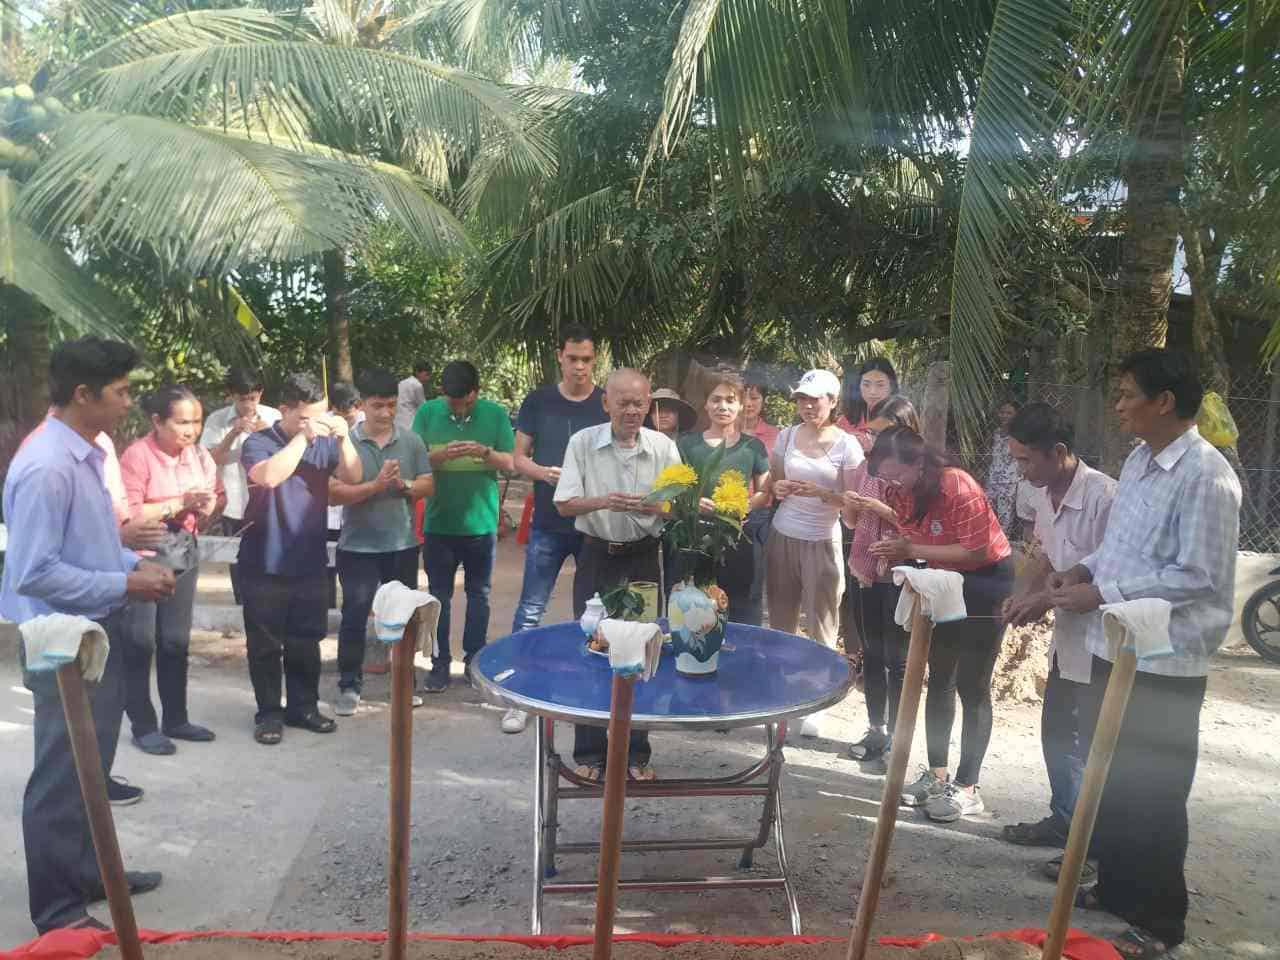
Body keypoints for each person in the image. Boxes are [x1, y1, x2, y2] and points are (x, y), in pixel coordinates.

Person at [1047, 349, 1240, 959]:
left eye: (1129, 393)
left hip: (1166, 660)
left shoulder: (1207, 477)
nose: (1119, 405)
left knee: (1154, 790)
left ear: (1165, 402)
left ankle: (1159, 923)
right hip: (1117, 643)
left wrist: (1102, 593)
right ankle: (1117, 887)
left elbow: (1199, 575)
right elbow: (1122, 547)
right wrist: (1084, 569)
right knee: (1109, 775)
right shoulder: (1137, 461)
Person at [2, 337, 176, 934]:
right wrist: (125, 583)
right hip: (61, 644)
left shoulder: (86, 453)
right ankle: (58, 912)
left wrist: (133, 566)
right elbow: (34, 571)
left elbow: (91, 547)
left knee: (91, 767)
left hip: (94, 630)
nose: (128, 402)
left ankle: (87, 872)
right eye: (121, 392)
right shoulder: (47, 466)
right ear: (83, 394)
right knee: (62, 775)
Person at [856, 426, 1013, 823]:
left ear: (920, 463)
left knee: (972, 683)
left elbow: (976, 550)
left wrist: (910, 549)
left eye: (897, 474)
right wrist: (901, 551)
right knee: (940, 677)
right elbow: (912, 533)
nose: (892, 484)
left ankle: (968, 786)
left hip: (985, 580)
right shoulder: (896, 489)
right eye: (886, 478)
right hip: (941, 578)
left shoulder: (957, 485)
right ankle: (937, 775)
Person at [555, 369, 681, 782]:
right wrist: (603, 502)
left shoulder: (663, 446)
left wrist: (652, 506)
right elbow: (564, 504)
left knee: (644, 648)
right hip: (597, 557)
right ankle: (590, 752)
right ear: (605, 402)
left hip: (643, 558)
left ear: (649, 405)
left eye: (639, 403)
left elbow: (678, 507)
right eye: (622, 402)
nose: (631, 411)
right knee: (594, 647)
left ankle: (636, 752)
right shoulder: (583, 443)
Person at [999, 404, 1115, 853]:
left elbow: (1117, 571)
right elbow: (1046, 553)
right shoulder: (1039, 494)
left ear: (1059, 451)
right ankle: (1065, 821)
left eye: (1026, 459)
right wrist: (1023, 595)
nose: (1020, 470)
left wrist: (1042, 601)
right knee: (1057, 732)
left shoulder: (1106, 497)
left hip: (1105, 642)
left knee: (1093, 743)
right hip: (1067, 639)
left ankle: (1093, 847)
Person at [238, 373, 362, 745]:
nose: (316, 423)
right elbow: (268, 477)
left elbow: (353, 476)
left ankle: (303, 707)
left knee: (306, 640)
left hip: (309, 556)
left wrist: (344, 439)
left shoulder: (324, 442)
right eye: (307, 416)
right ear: (285, 410)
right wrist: (302, 438)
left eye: (321, 415)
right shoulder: (259, 442)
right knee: (264, 644)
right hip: (263, 558)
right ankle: (268, 713)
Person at [506, 327, 608, 733]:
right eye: (573, 359)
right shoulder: (538, 400)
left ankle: (592, 695)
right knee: (531, 609)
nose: (579, 366)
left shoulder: (605, 403)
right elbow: (518, 457)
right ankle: (517, 696)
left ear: (594, 360)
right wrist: (542, 473)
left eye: (586, 359)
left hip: (592, 523)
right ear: (560, 357)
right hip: (548, 523)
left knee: (593, 611)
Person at [118, 385, 221, 757]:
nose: (191, 431)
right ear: (157, 421)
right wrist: (179, 502)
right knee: (139, 643)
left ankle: (176, 718)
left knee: (176, 641)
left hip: (183, 551)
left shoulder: (198, 455)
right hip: (144, 555)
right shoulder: (137, 456)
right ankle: (143, 725)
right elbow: (130, 514)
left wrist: (207, 506)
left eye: (196, 422)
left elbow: (212, 501)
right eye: (182, 422)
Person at [330, 369, 434, 716]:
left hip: (401, 544)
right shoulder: (346, 442)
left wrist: (404, 486)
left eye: (391, 405)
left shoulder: (411, 441)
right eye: (378, 406)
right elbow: (333, 494)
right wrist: (374, 486)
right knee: (354, 616)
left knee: (403, 617)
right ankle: (348, 685)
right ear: (362, 405)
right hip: (357, 547)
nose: (386, 413)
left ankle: (404, 683)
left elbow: (428, 485)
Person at [413, 360, 515, 693]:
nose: (457, 409)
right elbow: (413, 460)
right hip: (439, 524)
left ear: (476, 392)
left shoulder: (495, 414)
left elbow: (511, 463)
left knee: (479, 596)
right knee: (438, 598)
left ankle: (474, 662)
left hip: (481, 525)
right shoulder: (428, 412)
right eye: (452, 403)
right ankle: (439, 664)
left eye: (465, 403)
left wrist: (485, 452)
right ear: (442, 393)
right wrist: (441, 456)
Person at [840, 396, 921, 763]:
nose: (872, 440)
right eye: (870, 433)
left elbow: (918, 526)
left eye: (880, 433)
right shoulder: (865, 467)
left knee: (899, 659)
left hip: (902, 573)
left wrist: (881, 509)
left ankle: (899, 740)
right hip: (865, 568)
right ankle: (876, 730)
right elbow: (852, 522)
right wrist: (851, 505)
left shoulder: (918, 473)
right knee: (871, 653)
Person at [765, 369, 864, 649]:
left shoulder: (848, 445)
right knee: (780, 621)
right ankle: (782, 672)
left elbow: (853, 505)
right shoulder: (786, 436)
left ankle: (822, 674)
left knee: (822, 623)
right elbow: (775, 482)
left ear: (832, 401)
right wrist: (778, 487)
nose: (807, 406)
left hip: (822, 540)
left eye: (814, 400)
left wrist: (822, 493)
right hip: (782, 535)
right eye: (801, 399)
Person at [676, 368, 771, 625]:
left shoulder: (753, 447)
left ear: (741, 405)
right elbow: (676, 489)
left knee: (741, 609)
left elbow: (764, 492)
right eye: (716, 399)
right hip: (696, 539)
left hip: (738, 539)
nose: (723, 406)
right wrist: (693, 503)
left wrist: (740, 506)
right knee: (696, 611)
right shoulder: (687, 444)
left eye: (730, 400)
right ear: (706, 404)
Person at [200, 367, 281, 603]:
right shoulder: (217, 420)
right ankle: (241, 604)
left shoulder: (274, 417)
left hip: (267, 501)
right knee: (236, 559)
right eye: (242, 399)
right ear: (232, 395)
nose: (248, 404)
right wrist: (232, 434)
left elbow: (288, 456)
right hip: (233, 502)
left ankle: (267, 604)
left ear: (260, 394)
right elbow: (208, 461)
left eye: (253, 398)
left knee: (267, 556)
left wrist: (269, 433)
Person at [740, 380, 779, 618]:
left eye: (754, 397)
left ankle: (752, 630)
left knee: (754, 584)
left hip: (760, 515)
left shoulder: (776, 435)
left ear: (763, 401)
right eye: (742, 397)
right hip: (722, 512)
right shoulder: (724, 431)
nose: (748, 403)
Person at [325, 382, 363, 608]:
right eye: (340, 415)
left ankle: (353, 610)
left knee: (353, 570)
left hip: (356, 509)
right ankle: (326, 609)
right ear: (332, 408)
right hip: (328, 510)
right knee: (325, 568)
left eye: (349, 416)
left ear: (358, 406)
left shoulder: (367, 425)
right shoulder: (322, 424)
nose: (345, 421)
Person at [984, 399, 1021, 531]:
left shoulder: (1019, 435)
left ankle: (1004, 540)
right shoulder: (995, 433)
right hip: (992, 478)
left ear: (1016, 415)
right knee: (987, 512)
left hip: (1009, 480)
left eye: (1009, 413)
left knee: (1004, 516)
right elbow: (989, 455)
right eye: (1002, 412)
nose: (1005, 415)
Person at [838, 357, 898, 433]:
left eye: (880, 385)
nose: (872, 392)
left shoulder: (902, 419)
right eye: (866, 384)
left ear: (891, 387)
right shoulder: (846, 422)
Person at [396, 360, 431, 431]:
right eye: (426, 375)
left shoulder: (402, 383)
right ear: (417, 372)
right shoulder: (417, 385)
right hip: (409, 423)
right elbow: (423, 406)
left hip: (397, 421)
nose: (428, 378)